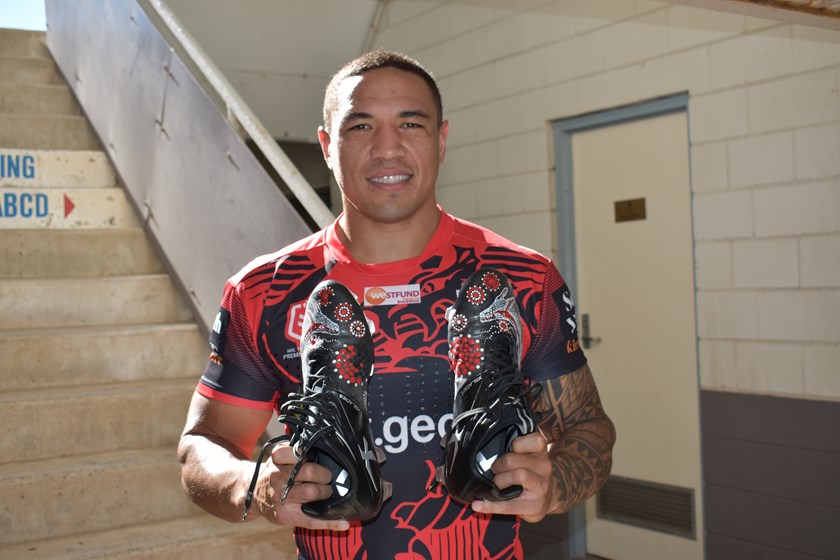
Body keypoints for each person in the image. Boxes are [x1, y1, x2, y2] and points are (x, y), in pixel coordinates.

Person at [178, 49, 615, 559]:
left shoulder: (520, 279)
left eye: (411, 124)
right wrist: (254, 486)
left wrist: (553, 482)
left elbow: (587, 425)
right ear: (327, 145)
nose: (387, 148)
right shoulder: (263, 291)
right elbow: (202, 445)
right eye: (361, 126)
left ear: (441, 140)